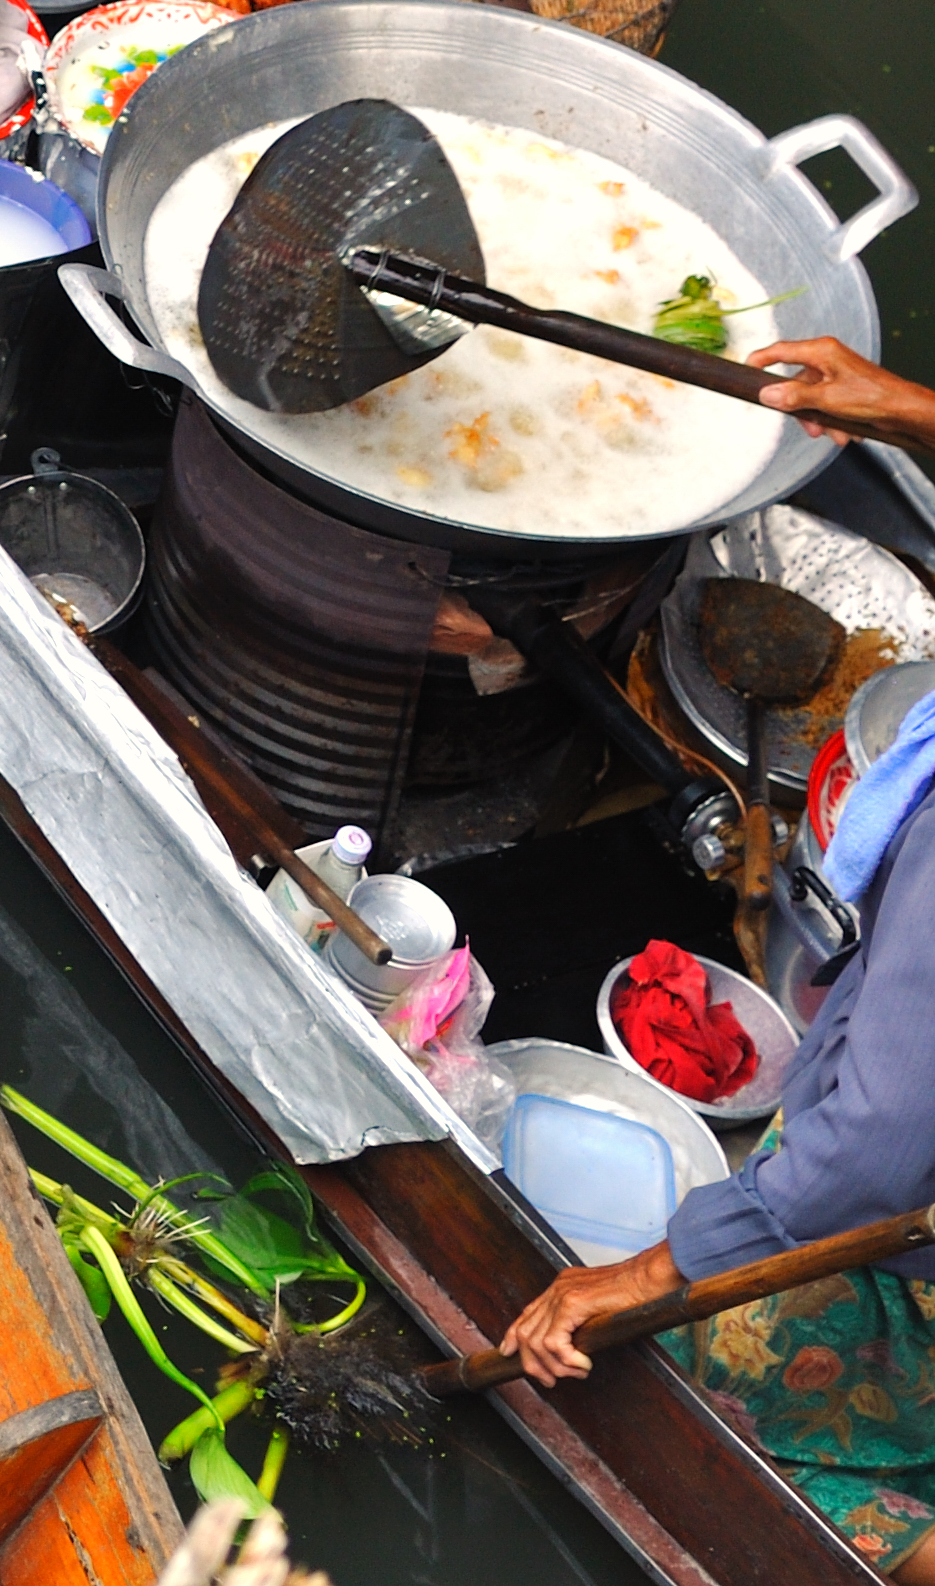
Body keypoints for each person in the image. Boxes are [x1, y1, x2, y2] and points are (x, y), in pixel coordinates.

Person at [501, 334, 935, 1576]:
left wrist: (651, 1271)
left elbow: (877, 1144)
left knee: (708, 1397)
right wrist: (904, 410)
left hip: (897, 1242)